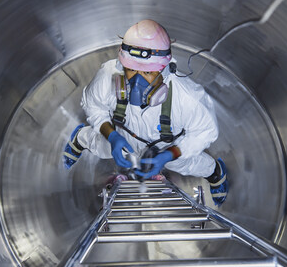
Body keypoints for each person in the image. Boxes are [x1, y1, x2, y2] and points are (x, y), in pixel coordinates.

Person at [61, 19, 229, 205]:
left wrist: (170, 154)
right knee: (103, 146)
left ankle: (215, 173)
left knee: (185, 163)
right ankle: (80, 138)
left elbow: (205, 132)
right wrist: (112, 137)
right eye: (131, 70)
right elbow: (93, 107)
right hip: (124, 135)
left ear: (164, 69)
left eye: (148, 73)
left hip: (166, 145)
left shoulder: (187, 97)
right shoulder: (108, 76)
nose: (136, 82)